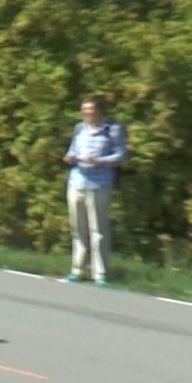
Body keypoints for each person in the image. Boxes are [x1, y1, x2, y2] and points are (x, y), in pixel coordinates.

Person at [62, 94, 126, 286]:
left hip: (99, 184)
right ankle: (77, 269)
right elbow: (73, 149)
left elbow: (120, 155)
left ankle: (100, 273)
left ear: (100, 111)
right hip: (77, 181)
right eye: (84, 110)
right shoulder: (79, 128)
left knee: (97, 229)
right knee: (77, 228)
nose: (87, 113)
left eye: (90, 109)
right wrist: (70, 157)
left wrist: (99, 160)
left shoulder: (112, 130)